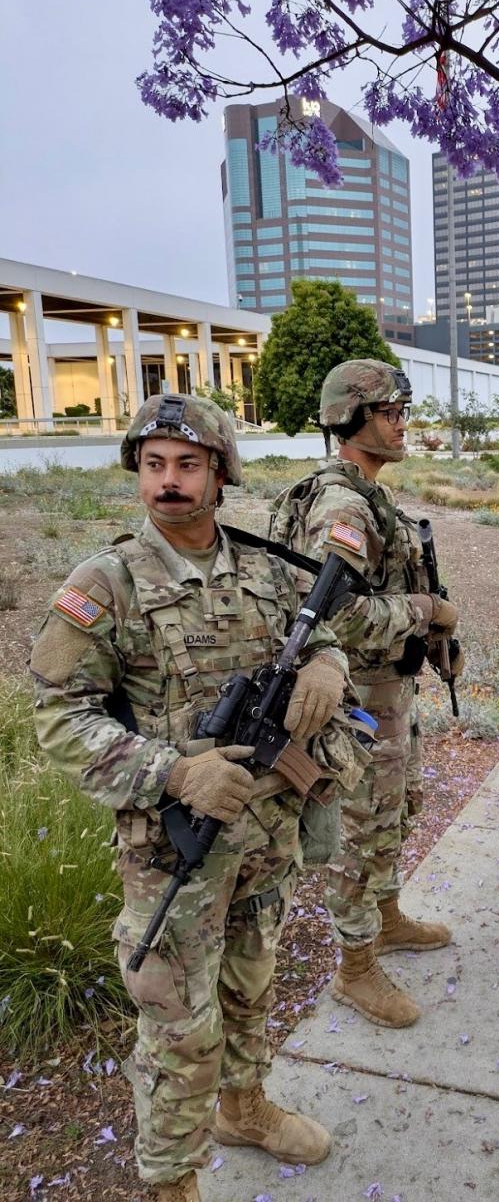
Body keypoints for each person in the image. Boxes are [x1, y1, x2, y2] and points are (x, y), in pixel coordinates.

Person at [29, 395, 357, 1202]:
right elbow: (57, 715)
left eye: (186, 465)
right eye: (153, 466)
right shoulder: (105, 582)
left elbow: (321, 632)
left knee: (251, 987)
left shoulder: (267, 566)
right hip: (176, 848)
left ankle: (243, 1109)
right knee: (180, 1031)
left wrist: (328, 667)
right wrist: (175, 772)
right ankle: (170, 1179)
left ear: (220, 471)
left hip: (266, 837)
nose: (168, 483)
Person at [270, 359, 460, 1030]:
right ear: (352, 419)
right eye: (390, 411)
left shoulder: (367, 493)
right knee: (362, 829)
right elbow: (329, 616)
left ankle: (386, 918)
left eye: (402, 410)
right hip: (356, 700)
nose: (402, 422)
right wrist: (426, 609)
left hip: (389, 691)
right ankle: (355, 969)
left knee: (394, 814)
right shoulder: (343, 505)